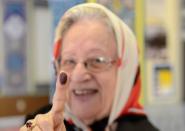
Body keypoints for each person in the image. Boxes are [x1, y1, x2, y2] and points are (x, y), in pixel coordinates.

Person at [20, 3, 159, 131]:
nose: (79, 75)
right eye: (69, 61)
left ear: (125, 71)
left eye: (97, 60)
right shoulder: (41, 123)